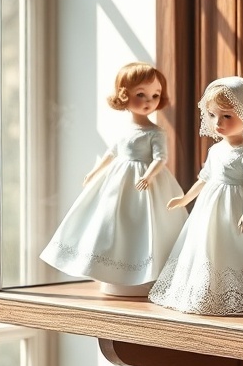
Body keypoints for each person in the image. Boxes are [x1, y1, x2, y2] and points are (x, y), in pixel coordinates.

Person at [40, 62, 186, 295]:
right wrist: (95, 171)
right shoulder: (125, 129)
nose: (149, 100)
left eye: (155, 95)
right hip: (119, 179)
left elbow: (161, 159)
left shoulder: (155, 133)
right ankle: (115, 272)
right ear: (124, 95)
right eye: (141, 94)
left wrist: (148, 176)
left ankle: (145, 273)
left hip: (148, 184)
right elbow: (112, 152)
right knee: (112, 223)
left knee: (145, 225)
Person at [149, 77, 243, 315]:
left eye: (227, 116)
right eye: (213, 115)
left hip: (237, 203)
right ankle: (208, 292)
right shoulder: (215, 150)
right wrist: (185, 199)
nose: (218, 123)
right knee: (209, 245)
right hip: (211, 205)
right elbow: (204, 178)